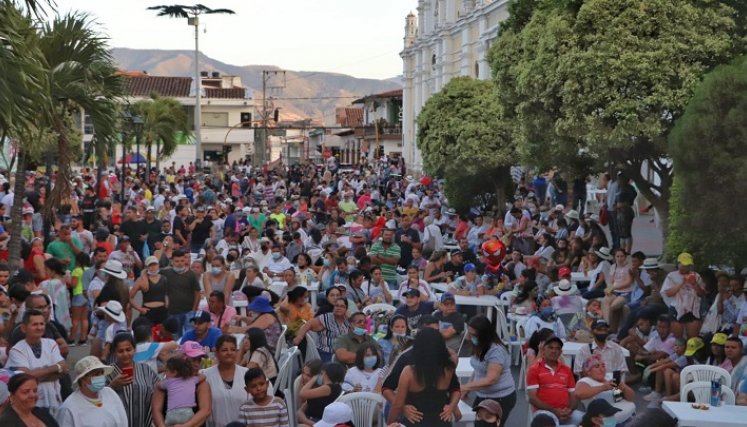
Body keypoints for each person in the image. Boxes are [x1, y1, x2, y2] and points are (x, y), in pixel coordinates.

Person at [387, 328, 460, 426]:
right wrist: (451, 406)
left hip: (415, 421)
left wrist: (390, 423)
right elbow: (456, 390)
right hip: (441, 421)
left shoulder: (409, 372)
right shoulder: (448, 369)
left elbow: (397, 404)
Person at [6, 309, 67, 414]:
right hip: (30, 401)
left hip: (53, 398)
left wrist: (37, 373)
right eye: (34, 324)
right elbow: (26, 378)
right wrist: (56, 368)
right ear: (24, 328)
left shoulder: (51, 343)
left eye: (42, 324)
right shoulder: (17, 350)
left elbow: (64, 370)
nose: (39, 327)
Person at [461, 315, 516, 427]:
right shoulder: (479, 346)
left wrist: (465, 387)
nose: (468, 337)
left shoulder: (496, 351)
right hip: (483, 394)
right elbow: (478, 370)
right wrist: (468, 388)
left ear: (484, 335)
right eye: (469, 333)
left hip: (500, 396)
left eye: (473, 335)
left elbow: (491, 379)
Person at [105, 333, 159, 427]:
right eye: (120, 351)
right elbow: (98, 398)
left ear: (134, 349)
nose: (125, 354)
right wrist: (112, 386)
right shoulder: (108, 372)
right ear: (114, 352)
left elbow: (158, 390)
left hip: (145, 423)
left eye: (128, 349)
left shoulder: (145, 369)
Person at [526, 336, 582, 426]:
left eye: (557, 348)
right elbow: (532, 398)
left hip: (566, 411)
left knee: (586, 419)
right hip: (545, 412)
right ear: (543, 350)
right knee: (548, 422)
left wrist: (569, 410)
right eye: (550, 348)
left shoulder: (566, 370)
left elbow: (574, 395)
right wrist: (555, 411)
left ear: (560, 352)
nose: (554, 351)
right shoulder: (535, 369)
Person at [57, 356, 127, 427]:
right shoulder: (69, 408)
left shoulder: (110, 393)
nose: (101, 377)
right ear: (83, 379)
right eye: (96, 374)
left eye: (102, 373)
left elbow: (123, 420)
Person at [202, 335, 249, 427]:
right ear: (216, 353)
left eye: (233, 349)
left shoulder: (247, 374)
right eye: (224, 350)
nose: (229, 353)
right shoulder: (205, 375)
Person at [575, 355, 636, 424]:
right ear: (588, 371)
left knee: (631, 406)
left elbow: (630, 397)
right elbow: (579, 394)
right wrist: (603, 387)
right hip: (604, 416)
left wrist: (623, 387)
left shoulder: (610, 376)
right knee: (611, 419)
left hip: (622, 410)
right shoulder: (585, 381)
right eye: (597, 366)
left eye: (603, 366)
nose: (602, 369)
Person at [661, 252, 705, 339]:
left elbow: (702, 294)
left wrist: (694, 283)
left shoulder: (696, 276)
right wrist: (682, 282)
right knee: (678, 340)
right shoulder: (671, 276)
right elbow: (668, 293)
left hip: (693, 309)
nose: (686, 267)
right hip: (676, 308)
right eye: (684, 265)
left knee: (693, 339)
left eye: (688, 265)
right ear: (679, 264)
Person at [294, 297, 350, 362]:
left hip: (344, 353)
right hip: (327, 352)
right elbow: (309, 324)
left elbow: (358, 332)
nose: (339, 308)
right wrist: (299, 337)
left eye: (342, 306)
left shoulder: (348, 320)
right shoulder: (327, 318)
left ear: (346, 309)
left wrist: (351, 317)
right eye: (336, 306)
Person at [157, 354, 207, 426]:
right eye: (193, 361)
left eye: (167, 371)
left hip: (172, 414)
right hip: (188, 413)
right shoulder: (192, 380)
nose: (165, 373)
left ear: (174, 372)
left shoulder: (168, 382)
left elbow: (158, 386)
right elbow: (203, 376)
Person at [161, 249, 201, 336]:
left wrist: (194, 310)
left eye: (182, 260)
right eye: (177, 261)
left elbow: (197, 293)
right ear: (172, 261)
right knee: (175, 336)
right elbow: (148, 271)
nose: (180, 263)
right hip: (172, 311)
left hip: (188, 311)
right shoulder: (165, 273)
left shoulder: (191, 275)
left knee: (189, 336)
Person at [129, 256, 169, 325]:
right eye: (150, 265)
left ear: (158, 265)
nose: (153, 267)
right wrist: (139, 309)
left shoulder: (164, 278)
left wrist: (167, 305)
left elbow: (166, 294)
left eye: (154, 265)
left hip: (162, 311)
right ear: (147, 267)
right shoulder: (141, 280)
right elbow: (129, 297)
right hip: (148, 311)